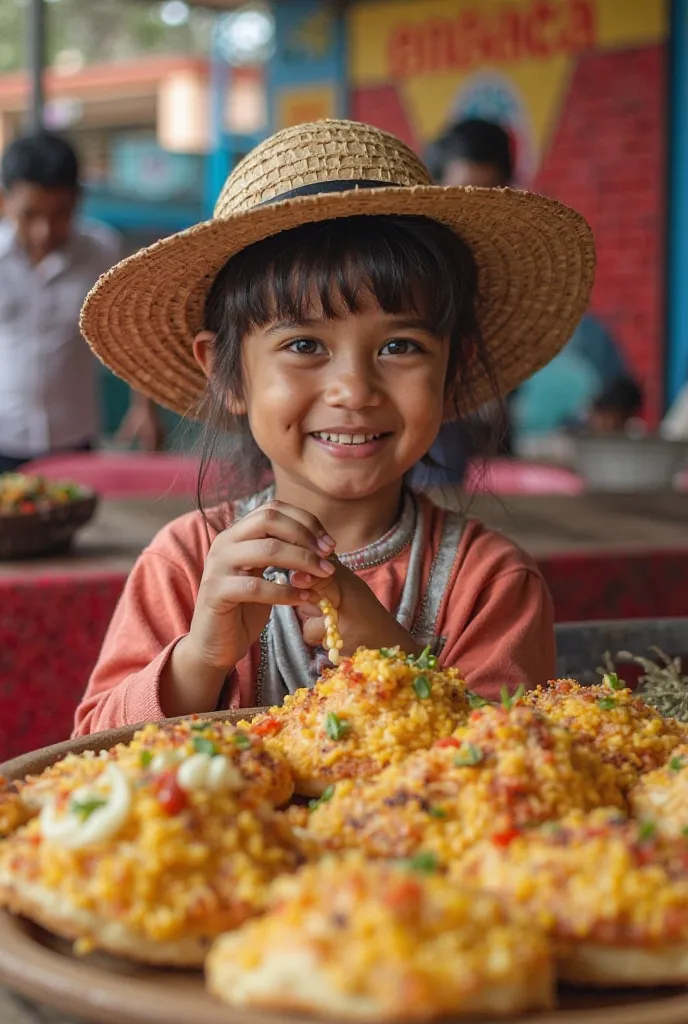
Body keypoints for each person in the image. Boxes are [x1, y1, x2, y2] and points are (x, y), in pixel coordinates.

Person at [71, 118, 596, 736]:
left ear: (456, 369)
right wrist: (198, 659)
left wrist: (394, 664)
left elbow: (525, 775)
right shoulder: (186, 564)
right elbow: (89, 755)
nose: (353, 390)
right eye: (303, 344)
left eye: (400, 346)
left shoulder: (489, 583)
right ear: (227, 374)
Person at [0, 131, 163, 473]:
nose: (45, 230)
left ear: (77, 201)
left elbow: (131, 329)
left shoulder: (102, 251)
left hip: (73, 435)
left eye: (60, 214)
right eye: (30, 215)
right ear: (5, 200)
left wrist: (144, 406)